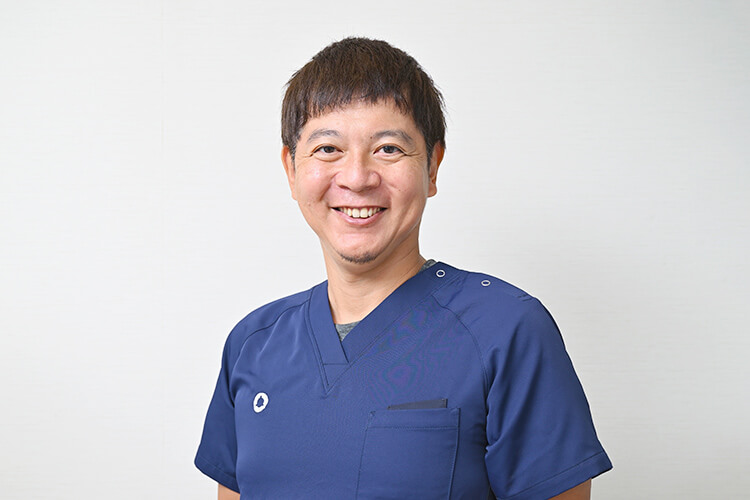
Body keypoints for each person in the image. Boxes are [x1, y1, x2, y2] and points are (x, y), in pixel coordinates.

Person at [195, 37, 612, 500]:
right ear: (291, 169)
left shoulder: (506, 330)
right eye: (328, 148)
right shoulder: (252, 344)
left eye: (389, 148)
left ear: (432, 166)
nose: (357, 177)